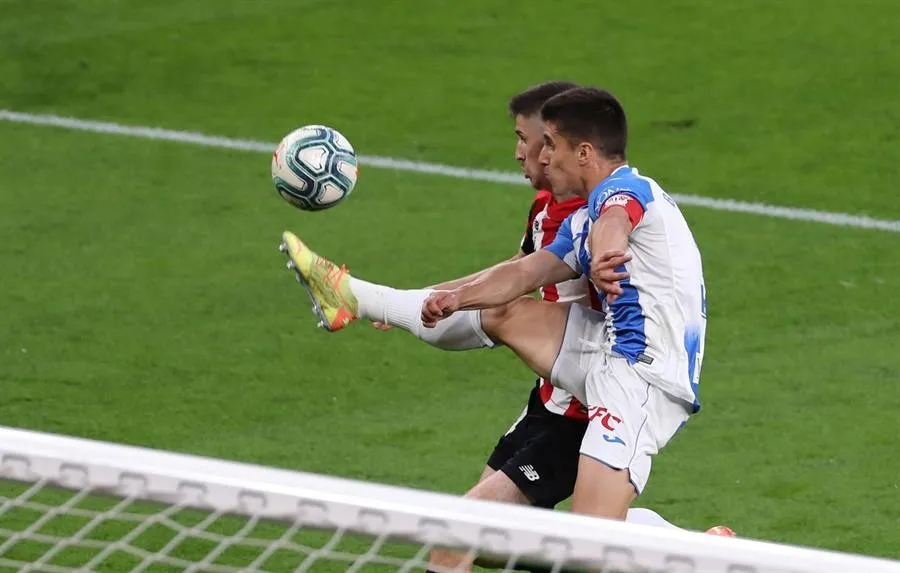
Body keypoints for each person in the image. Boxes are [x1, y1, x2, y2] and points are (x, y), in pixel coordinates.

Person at [278, 85, 732, 569]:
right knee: (503, 311)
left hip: (643, 383)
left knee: (585, 553)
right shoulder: (580, 220)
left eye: (550, 145)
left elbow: (616, 224)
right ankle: (362, 299)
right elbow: (524, 274)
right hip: (603, 348)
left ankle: (700, 557)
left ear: (582, 152)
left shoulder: (626, 192)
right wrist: (453, 299)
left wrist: (604, 257)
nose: (540, 155)